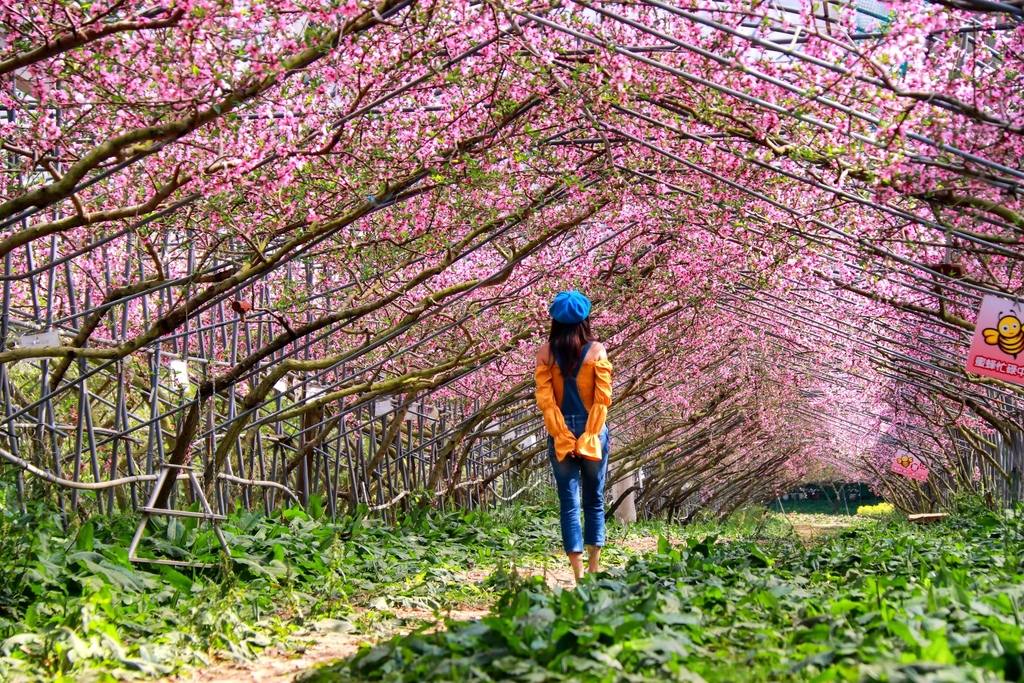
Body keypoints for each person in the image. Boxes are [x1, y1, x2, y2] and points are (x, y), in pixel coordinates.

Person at [534, 290, 613, 581]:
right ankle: (594, 570)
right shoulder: (597, 351)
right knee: (594, 499)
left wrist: (562, 433)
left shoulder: (545, 352)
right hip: (594, 428)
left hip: (560, 428)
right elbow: (602, 399)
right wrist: (590, 434)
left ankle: (577, 573)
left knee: (569, 501)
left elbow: (546, 400)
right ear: (585, 318)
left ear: (555, 319)